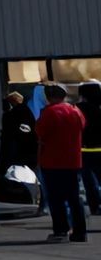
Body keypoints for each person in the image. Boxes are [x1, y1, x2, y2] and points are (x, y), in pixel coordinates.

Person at [38, 83, 87, 243]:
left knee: (56, 198)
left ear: (48, 96)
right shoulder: (75, 111)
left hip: (52, 161)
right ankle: (80, 232)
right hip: (73, 160)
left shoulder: (49, 112)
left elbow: (40, 132)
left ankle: (61, 230)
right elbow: (82, 126)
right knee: (74, 198)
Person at [78, 80, 101, 216]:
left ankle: (95, 206)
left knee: (89, 182)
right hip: (99, 149)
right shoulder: (98, 108)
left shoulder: (77, 109)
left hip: (83, 150)